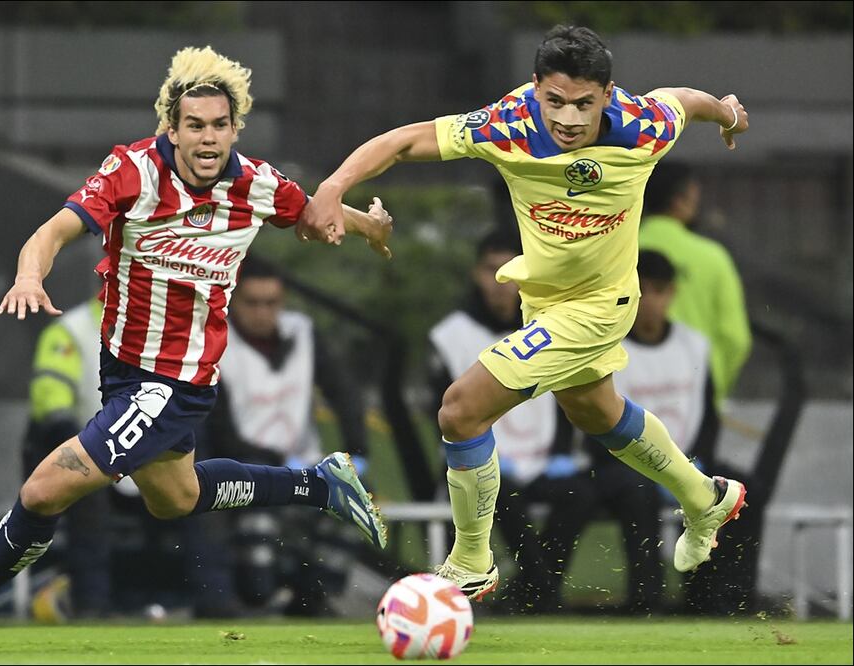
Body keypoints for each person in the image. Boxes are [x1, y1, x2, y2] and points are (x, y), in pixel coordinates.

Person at [0, 45, 392, 625]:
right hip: (123, 368)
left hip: (174, 380)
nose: (207, 139)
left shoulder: (255, 184)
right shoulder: (133, 172)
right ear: (171, 130)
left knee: (46, 489)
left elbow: (311, 213)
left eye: (219, 126)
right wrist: (29, 274)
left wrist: (365, 224)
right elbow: (52, 232)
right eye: (194, 126)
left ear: (235, 129)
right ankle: (318, 484)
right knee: (175, 498)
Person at [303, 25, 750, 600]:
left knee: (460, 410)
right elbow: (406, 140)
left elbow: (685, 101)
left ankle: (470, 561)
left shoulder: (643, 127)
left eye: (584, 104)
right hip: (543, 303)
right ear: (536, 88)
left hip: (602, 306)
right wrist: (333, 187)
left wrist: (727, 115)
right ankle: (705, 497)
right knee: (597, 412)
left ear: (608, 96)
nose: (567, 117)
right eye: (554, 101)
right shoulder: (509, 123)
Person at [184, 260, 369, 617]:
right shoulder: (212, 343)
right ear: (234, 300)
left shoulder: (303, 332)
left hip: (308, 464)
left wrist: (357, 451)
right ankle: (258, 598)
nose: (262, 312)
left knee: (358, 502)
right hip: (244, 468)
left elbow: (344, 392)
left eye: (272, 303)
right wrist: (275, 464)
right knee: (260, 536)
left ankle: (312, 601)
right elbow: (219, 427)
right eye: (253, 303)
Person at [428, 229, 593, 613]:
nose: (502, 283)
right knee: (496, 492)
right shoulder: (449, 336)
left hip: (542, 463)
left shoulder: (552, 324)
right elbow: (441, 414)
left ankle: (532, 590)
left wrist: (561, 453)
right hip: (481, 461)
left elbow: (567, 392)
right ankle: (541, 593)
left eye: (512, 271)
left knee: (581, 495)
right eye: (491, 270)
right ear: (476, 274)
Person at [602, 250, 761, 615]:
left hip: (690, 459)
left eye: (658, 291)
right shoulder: (608, 348)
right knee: (635, 492)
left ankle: (720, 601)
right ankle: (647, 602)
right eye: (642, 290)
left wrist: (693, 466)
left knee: (745, 491)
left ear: (671, 293)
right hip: (627, 466)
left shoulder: (695, 345)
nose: (650, 301)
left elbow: (708, 415)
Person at [22, 296, 113, 619]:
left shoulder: (162, 328)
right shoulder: (72, 329)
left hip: (141, 457)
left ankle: (212, 596)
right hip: (86, 453)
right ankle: (92, 603)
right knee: (86, 490)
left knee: (195, 482)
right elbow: (52, 403)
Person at [639, 161, 751, 404]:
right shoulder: (713, 257)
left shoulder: (615, 252)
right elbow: (735, 338)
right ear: (679, 201)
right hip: (694, 394)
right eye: (694, 196)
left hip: (625, 396)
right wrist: (714, 393)